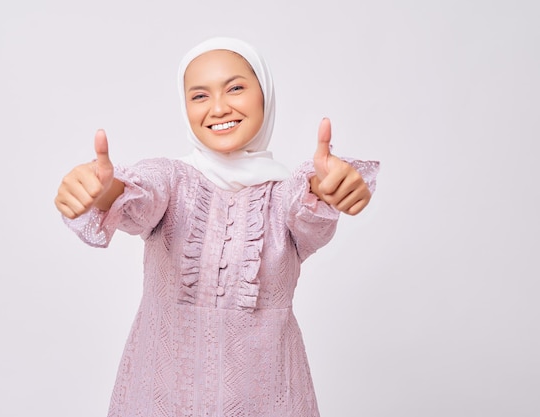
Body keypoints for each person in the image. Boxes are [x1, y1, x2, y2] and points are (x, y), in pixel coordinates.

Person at [55, 37, 379, 417]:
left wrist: (327, 188)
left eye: (236, 88)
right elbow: (135, 195)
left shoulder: (285, 196)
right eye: (199, 96)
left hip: (268, 399)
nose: (219, 107)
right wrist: (101, 189)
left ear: (265, 94)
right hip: (161, 398)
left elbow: (310, 211)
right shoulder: (172, 180)